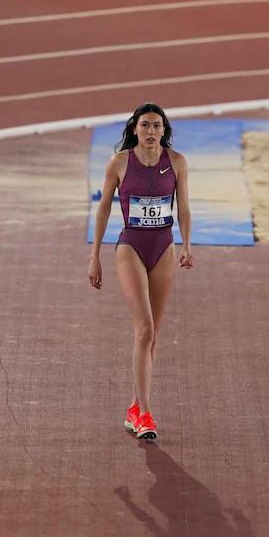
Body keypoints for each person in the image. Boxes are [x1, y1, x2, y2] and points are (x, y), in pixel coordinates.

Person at [88, 103, 194, 441]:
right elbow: (103, 209)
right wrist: (94, 256)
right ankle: (145, 414)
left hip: (163, 248)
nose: (151, 132)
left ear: (164, 130)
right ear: (135, 129)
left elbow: (185, 208)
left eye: (157, 126)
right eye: (145, 125)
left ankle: (134, 407)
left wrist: (188, 244)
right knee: (144, 329)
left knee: (153, 335)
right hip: (130, 247)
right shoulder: (119, 163)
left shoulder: (176, 163)